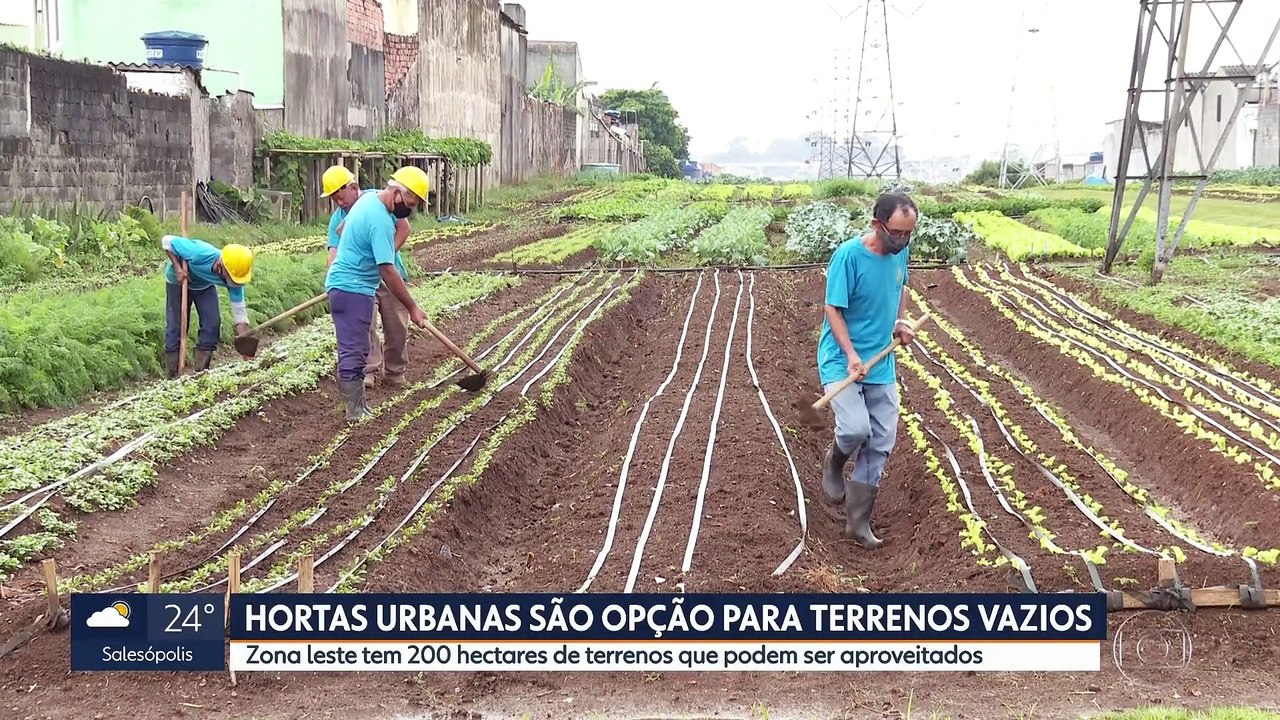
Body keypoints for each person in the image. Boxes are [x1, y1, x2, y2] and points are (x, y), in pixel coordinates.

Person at [816, 192, 917, 549]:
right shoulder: (848, 257)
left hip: (881, 362)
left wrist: (901, 321)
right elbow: (833, 310)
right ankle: (835, 460)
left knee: (881, 440)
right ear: (877, 225)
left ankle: (857, 523)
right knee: (856, 428)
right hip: (841, 358)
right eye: (896, 233)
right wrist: (851, 355)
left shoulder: (900, 251)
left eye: (909, 234)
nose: (903, 241)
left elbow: (901, 285)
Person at [324, 166, 431, 421]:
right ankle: (354, 411)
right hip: (353, 288)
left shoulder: (368, 201)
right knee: (353, 349)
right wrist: (413, 307)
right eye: (409, 202)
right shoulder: (380, 219)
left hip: (350, 286)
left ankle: (360, 406)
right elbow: (386, 268)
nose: (410, 209)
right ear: (396, 192)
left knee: (359, 347)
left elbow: (345, 231)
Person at [161, 235, 255, 378]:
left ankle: (201, 372)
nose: (232, 282)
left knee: (212, 323)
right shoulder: (198, 252)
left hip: (203, 286)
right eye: (230, 277)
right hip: (178, 282)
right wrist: (178, 268)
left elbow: (239, 314)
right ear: (220, 265)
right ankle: (172, 375)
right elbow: (166, 241)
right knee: (177, 325)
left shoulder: (234, 281)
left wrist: (245, 344)